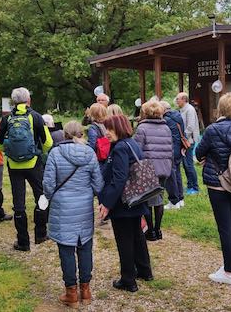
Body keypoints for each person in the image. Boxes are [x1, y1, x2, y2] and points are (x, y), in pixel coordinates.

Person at [43, 121, 104, 308]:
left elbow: (48, 185)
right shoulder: (90, 153)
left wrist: (54, 196)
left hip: (63, 206)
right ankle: (85, 289)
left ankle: (71, 292)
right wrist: (87, 193)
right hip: (84, 205)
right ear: (81, 135)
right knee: (85, 245)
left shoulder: (55, 153)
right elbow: (98, 184)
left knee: (66, 249)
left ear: (65, 135)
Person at [195, 93, 231, 285]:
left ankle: (228, 272)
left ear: (221, 108)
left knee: (224, 227)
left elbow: (199, 152)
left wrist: (206, 157)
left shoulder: (212, 130)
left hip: (217, 182)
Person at [98, 115, 153, 292]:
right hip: (136, 197)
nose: (106, 133)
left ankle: (128, 279)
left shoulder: (120, 147)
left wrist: (106, 203)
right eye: (106, 129)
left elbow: (119, 178)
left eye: (110, 129)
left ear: (119, 128)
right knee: (137, 236)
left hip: (124, 202)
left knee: (125, 240)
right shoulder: (131, 143)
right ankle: (145, 270)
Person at [0, 87, 53, 251]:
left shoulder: (6, 119)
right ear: (28, 100)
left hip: (14, 166)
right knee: (41, 197)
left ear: (13, 101)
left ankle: (23, 242)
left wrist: (11, 152)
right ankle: (41, 234)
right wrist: (37, 153)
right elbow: (47, 143)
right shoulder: (36, 117)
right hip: (34, 163)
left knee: (18, 203)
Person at [133, 100, 173, 241]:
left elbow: (136, 150)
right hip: (164, 167)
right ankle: (158, 229)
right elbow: (170, 149)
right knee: (159, 198)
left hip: (148, 167)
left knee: (147, 200)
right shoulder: (166, 128)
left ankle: (150, 231)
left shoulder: (141, 128)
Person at [161, 100, 186, 210]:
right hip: (179, 148)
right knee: (178, 174)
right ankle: (180, 199)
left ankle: (174, 201)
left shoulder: (166, 120)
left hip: (170, 149)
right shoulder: (178, 116)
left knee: (171, 176)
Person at [175, 92, 200, 195]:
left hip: (188, 141)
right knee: (185, 164)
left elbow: (190, 127)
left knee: (189, 165)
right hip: (185, 141)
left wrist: (182, 138)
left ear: (184, 99)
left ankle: (195, 187)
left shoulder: (189, 110)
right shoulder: (183, 110)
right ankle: (190, 185)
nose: (176, 101)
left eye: (178, 99)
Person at [87, 103, 109, 169]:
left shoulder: (93, 128)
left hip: (99, 157)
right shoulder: (107, 125)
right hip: (107, 155)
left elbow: (92, 144)